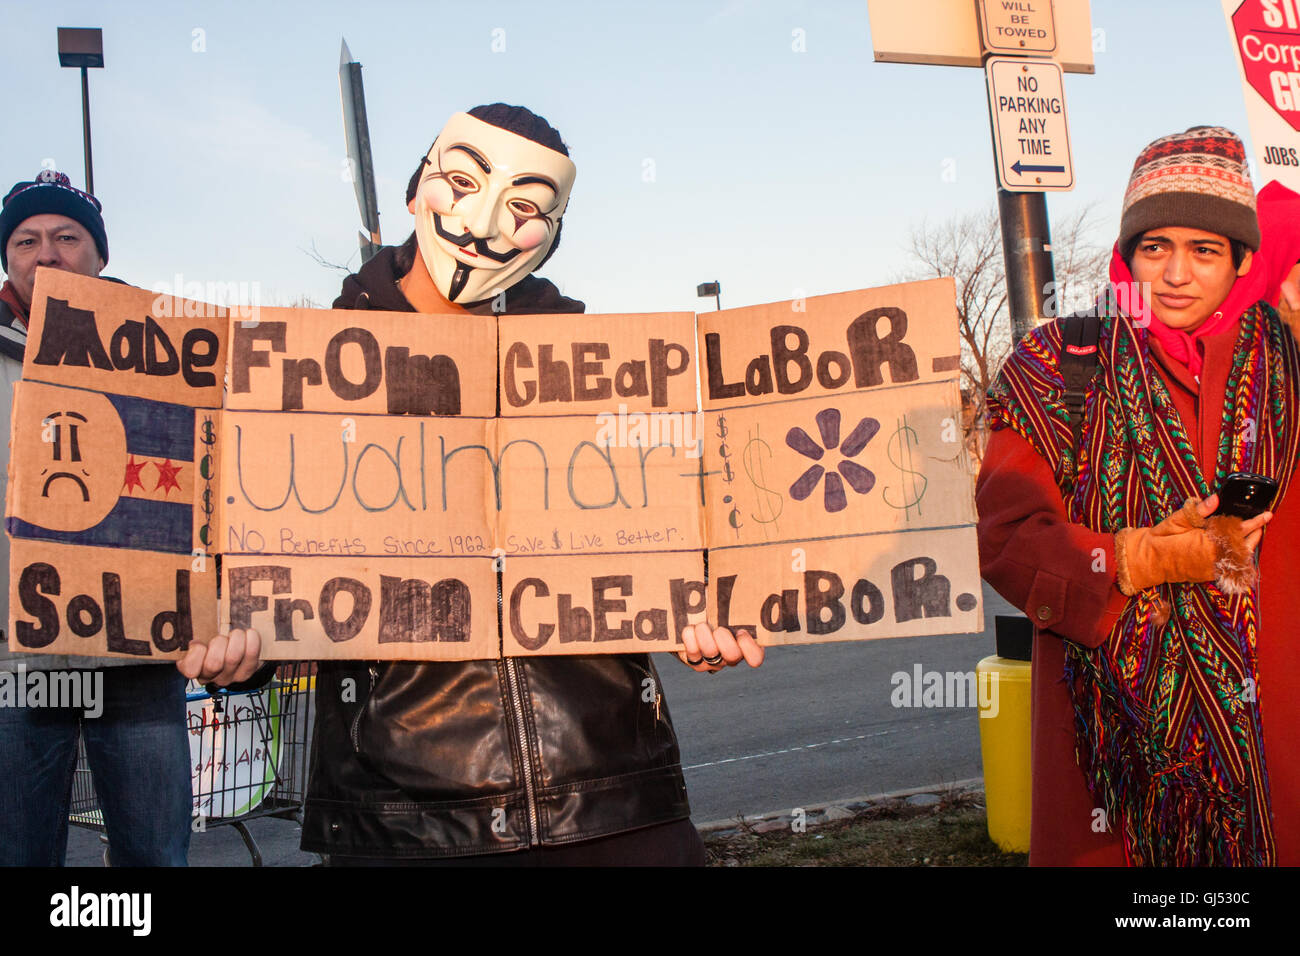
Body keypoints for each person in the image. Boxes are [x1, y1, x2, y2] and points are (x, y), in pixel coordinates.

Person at [184, 104, 764, 865]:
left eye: (525, 206)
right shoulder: (302, 372)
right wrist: (240, 650)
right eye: (462, 181)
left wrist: (702, 613)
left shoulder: (597, 367)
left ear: (552, 231)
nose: (487, 221)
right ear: (415, 190)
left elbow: (664, 539)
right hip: (402, 819)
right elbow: (261, 549)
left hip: (613, 797)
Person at [977, 127, 1300, 866]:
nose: (1177, 273)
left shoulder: (1286, 359)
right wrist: (1132, 559)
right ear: (1128, 255)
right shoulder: (1060, 362)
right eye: (1156, 248)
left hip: (1274, 755)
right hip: (1114, 771)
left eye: (1205, 250)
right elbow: (1004, 537)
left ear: (1241, 259)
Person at [0, 170, 193, 866]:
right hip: (14, 658)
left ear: (99, 257)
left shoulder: (164, 346)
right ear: (8, 260)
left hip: (138, 647)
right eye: (25, 240)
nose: (45, 254)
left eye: (66, 237)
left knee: (154, 857)